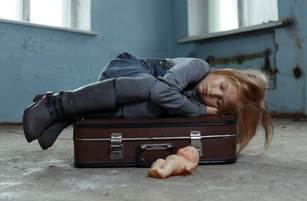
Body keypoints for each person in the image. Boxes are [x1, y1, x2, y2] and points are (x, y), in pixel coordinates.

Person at [23, 52, 273, 154]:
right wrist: (200, 109)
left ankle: (68, 117)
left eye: (219, 100)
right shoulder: (199, 67)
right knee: (151, 90)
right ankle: (56, 104)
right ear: (225, 73)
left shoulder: (199, 96)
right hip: (125, 72)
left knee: (149, 111)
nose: (213, 92)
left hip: (125, 98)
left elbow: (160, 102)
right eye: (222, 86)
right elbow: (162, 92)